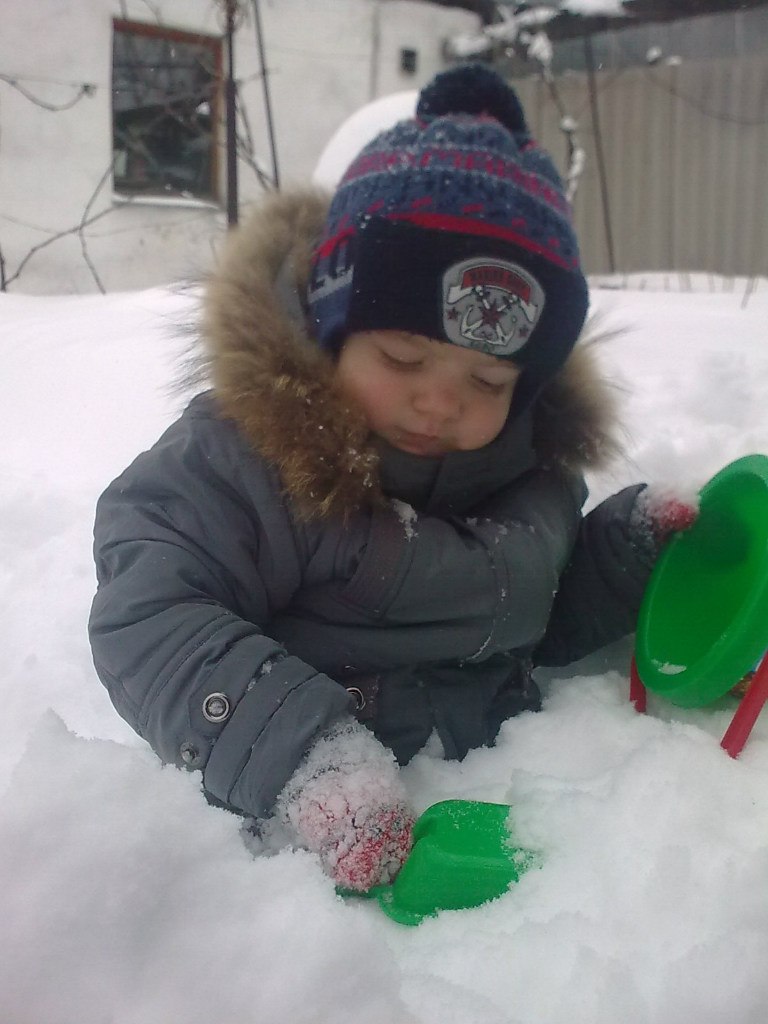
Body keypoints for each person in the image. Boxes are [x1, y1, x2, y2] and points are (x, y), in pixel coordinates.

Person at [88, 64, 695, 893]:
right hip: (306, 884)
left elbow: (532, 618)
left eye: (488, 382)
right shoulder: (254, 463)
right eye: (403, 357)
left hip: (515, 849)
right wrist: (306, 762)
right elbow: (147, 606)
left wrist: (622, 561)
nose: (440, 402)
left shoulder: (530, 477)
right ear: (333, 329)